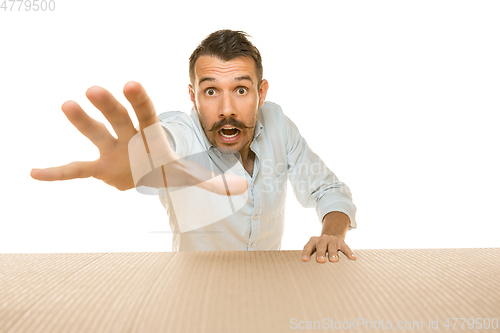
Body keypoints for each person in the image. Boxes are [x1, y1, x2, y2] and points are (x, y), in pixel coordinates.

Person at [31, 29, 357, 263]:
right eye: (211, 91)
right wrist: (137, 160)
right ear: (194, 96)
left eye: (241, 90)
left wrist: (332, 233)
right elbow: (164, 143)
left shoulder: (277, 124)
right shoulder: (182, 131)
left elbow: (327, 189)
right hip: (194, 295)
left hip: (268, 289)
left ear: (262, 92)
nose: (226, 108)